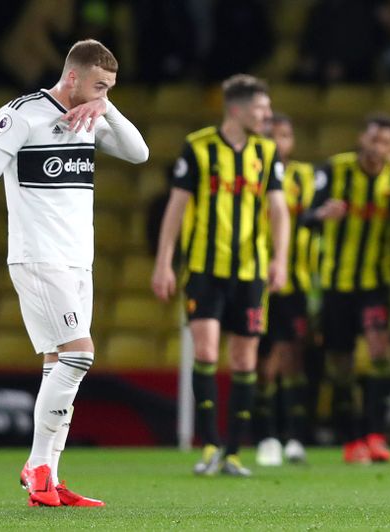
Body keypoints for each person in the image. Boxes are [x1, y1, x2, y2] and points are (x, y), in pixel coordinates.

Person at [0, 39, 149, 507]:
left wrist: (106, 108)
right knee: (80, 356)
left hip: (79, 262)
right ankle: (37, 464)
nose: (102, 94)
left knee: (58, 365)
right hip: (38, 257)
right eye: (98, 85)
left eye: (110, 87)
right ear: (72, 76)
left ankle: (49, 480)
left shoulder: (93, 117)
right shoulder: (22, 114)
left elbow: (140, 153)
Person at [151, 74, 289, 477]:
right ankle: (210, 444)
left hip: (250, 272)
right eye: (260, 109)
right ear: (236, 109)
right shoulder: (198, 147)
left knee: (245, 357)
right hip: (204, 269)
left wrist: (280, 259)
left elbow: (279, 210)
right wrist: (164, 262)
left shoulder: (266, 151)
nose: (266, 115)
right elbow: (175, 208)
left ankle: (232, 452)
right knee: (207, 351)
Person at [302, 114, 390, 464]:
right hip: (336, 285)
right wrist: (321, 214)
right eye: (373, 138)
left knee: (380, 355)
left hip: (375, 285)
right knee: (340, 364)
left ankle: (375, 434)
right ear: (361, 138)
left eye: (386, 142)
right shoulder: (334, 171)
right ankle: (351, 439)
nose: (377, 147)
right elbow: (305, 216)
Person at [254, 113, 316, 466]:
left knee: (291, 360)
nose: (279, 142)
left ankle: (292, 436)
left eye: (285, 134)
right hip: (257, 281)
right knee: (264, 365)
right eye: (271, 135)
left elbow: (316, 211)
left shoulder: (308, 177)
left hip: (297, 283)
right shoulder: (249, 173)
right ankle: (267, 435)